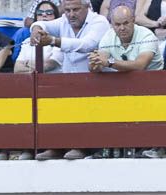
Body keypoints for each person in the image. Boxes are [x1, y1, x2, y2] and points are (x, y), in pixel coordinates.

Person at [31, 0, 109, 159]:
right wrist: (36, 30)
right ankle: (57, 147)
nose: (71, 14)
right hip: (69, 81)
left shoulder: (99, 22)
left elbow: (86, 45)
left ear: (87, 7)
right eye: (67, 10)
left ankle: (82, 147)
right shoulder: (63, 21)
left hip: (95, 83)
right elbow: (42, 24)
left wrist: (53, 41)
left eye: (75, 9)